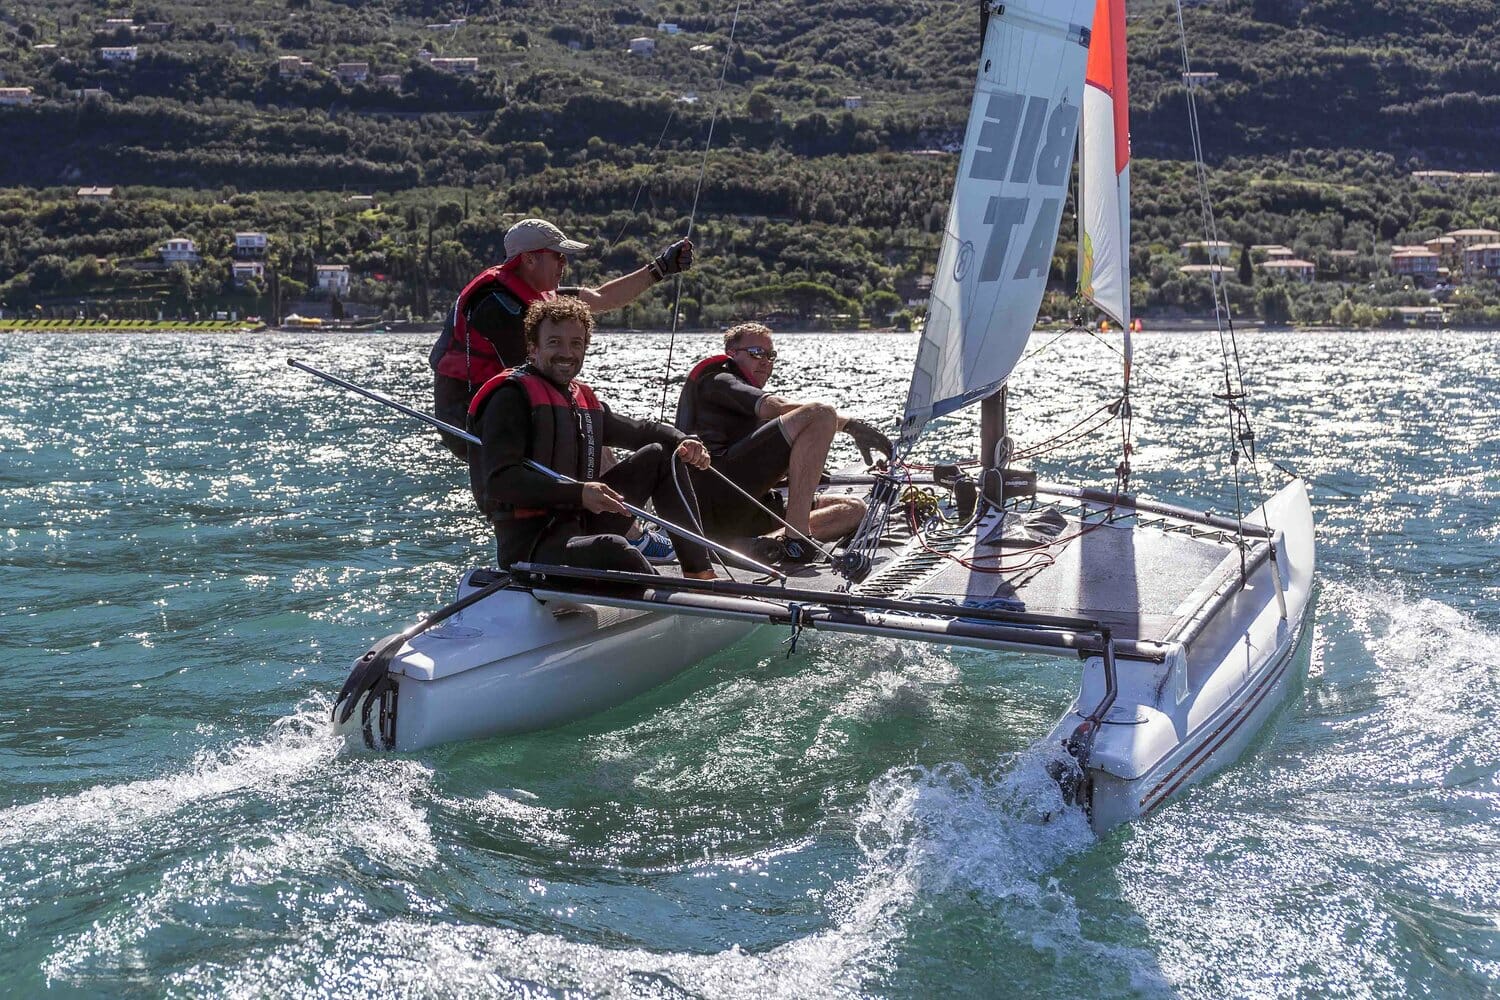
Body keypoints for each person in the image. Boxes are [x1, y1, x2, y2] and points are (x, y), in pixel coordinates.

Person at [469, 297, 716, 580]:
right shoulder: (510, 397)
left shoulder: (579, 398)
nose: (566, 353)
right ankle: (677, 603)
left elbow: (640, 431)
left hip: (579, 524)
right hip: (532, 546)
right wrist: (579, 493)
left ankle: (700, 575)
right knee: (613, 548)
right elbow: (500, 482)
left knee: (661, 454)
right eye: (554, 343)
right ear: (533, 348)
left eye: (576, 343)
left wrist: (685, 440)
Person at [429, 217, 693, 458]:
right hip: (468, 420)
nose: (564, 263)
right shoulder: (495, 305)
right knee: (591, 443)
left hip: (511, 406)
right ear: (529, 260)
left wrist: (660, 268)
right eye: (558, 256)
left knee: (595, 445)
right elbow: (544, 381)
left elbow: (602, 298)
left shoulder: (539, 293)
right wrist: (642, 432)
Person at [675, 322, 893, 562]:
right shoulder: (720, 380)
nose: (765, 361)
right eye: (757, 353)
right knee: (820, 413)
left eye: (771, 355)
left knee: (853, 509)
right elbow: (776, 407)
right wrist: (851, 425)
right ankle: (796, 539)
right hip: (716, 498)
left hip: (748, 506)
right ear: (732, 354)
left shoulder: (744, 397)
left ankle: (770, 543)